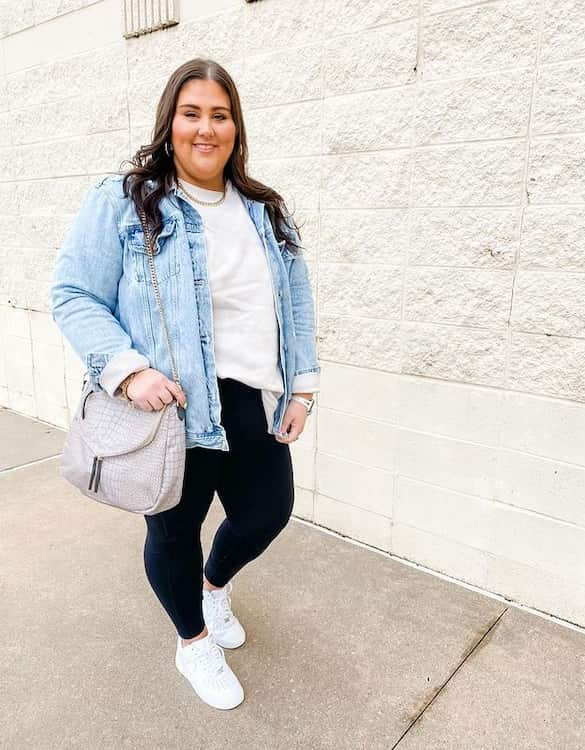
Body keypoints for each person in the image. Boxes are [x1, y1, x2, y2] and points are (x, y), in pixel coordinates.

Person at [50, 57, 320, 710]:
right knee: (173, 532)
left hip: (251, 399)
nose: (206, 128)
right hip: (171, 408)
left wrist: (302, 385)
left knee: (266, 513)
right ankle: (193, 642)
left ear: (236, 127)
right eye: (191, 113)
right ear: (170, 122)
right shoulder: (125, 200)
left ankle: (213, 587)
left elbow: (298, 298)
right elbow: (74, 294)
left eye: (219, 115)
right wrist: (129, 370)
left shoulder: (264, 210)